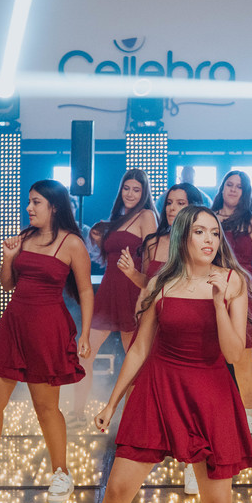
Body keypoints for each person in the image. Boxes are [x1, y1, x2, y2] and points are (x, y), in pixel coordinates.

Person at [74, 206, 252, 503]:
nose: (209, 240)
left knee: (218, 501)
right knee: (118, 488)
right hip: (159, 385)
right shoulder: (161, 282)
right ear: (182, 238)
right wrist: (112, 402)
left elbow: (233, 353)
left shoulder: (232, 281)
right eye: (199, 232)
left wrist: (219, 304)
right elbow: (140, 348)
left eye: (214, 233)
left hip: (209, 391)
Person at [0, 180, 94, 503]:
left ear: (54, 206)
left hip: (47, 329)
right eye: (29, 201)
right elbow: (7, 284)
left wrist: (85, 333)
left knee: (45, 407)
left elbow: (86, 290)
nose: (29, 208)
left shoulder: (72, 243)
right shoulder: (25, 237)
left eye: (36, 202)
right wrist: (8, 257)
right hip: (13, 324)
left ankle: (61, 474)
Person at [116, 180, 209, 494]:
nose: (172, 208)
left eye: (180, 203)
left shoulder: (201, 243)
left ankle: (192, 463)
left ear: (193, 208)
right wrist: (133, 278)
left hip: (183, 326)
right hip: (151, 320)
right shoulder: (154, 242)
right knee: (140, 386)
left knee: (186, 393)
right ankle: (138, 454)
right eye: (169, 202)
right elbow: (149, 283)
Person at [77, 170, 157, 415]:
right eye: (126, 188)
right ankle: (77, 413)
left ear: (144, 193)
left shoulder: (146, 215)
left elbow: (151, 259)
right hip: (108, 291)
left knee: (134, 360)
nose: (130, 194)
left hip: (132, 292)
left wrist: (145, 294)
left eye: (136, 190)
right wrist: (100, 237)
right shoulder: (118, 218)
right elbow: (111, 254)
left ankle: (134, 416)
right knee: (84, 355)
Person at [213, 170, 252, 432]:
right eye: (230, 184)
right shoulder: (209, 218)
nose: (233, 189)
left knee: (242, 356)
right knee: (209, 354)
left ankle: (248, 413)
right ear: (222, 188)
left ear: (245, 192)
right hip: (212, 287)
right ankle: (213, 409)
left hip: (244, 293)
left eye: (239, 186)